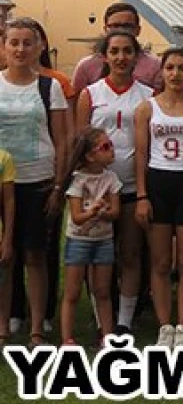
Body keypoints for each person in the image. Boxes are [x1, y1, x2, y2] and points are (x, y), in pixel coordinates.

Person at [76, 29, 152, 336]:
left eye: (127, 51)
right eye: (115, 51)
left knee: (130, 254)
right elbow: (81, 142)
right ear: (104, 56)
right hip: (97, 191)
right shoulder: (90, 94)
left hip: (132, 187)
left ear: (136, 56)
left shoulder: (148, 95)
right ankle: (102, 322)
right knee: (99, 257)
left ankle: (124, 321)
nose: (121, 57)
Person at [0, 17, 70, 347]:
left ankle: (37, 328)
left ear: (39, 47)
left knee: (35, 255)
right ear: (4, 46)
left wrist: (58, 186)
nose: (20, 49)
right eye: (14, 42)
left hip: (38, 181)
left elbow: (62, 140)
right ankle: (3, 326)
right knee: (5, 257)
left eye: (27, 43)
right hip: (3, 183)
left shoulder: (49, 87)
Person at [134, 47, 183, 347]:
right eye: (170, 68)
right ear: (162, 72)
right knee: (161, 261)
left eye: (182, 68)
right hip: (158, 182)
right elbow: (141, 153)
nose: (175, 74)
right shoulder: (147, 108)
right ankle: (165, 326)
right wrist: (142, 195)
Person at [59, 127, 123, 347]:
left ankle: (107, 336)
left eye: (111, 144)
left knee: (103, 291)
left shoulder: (111, 178)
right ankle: (67, 339)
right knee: (73, 291)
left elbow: (116, 212)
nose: (111, 149)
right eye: (105, 147)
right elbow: (77, 217)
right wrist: (93, 211)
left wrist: (104, 212)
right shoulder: (77, 181)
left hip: (104, 240)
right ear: (90, 155)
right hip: (79, 241)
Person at [71, 3, 164, 93]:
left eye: (127, 26)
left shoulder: (155, 66)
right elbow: (76, 101)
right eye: (115, 26)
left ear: (138, 30)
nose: (121, 30)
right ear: (105, 29)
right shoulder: (86, 66)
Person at [0, 147, 14, 345]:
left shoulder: (4, 158)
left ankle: (2, 326)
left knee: (2, 280)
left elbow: (9, 201)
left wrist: (7, 239)